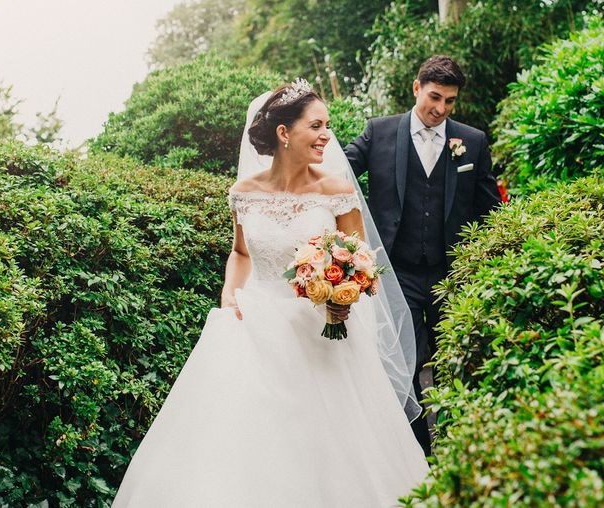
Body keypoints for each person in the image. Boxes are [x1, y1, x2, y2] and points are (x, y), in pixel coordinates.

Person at [112, 80, 428, 507]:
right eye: (316, 125)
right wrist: (229, 296)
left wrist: (343, 296)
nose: (326, 136)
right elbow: (241, 253)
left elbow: (362, 261)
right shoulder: (245, 193)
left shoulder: (335, 191)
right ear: (284, 133)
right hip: (254, 328)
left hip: (322, 334)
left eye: (327, 125)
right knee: (244, 445)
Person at [344, 55, 501, 455]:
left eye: (450, 101)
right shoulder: (378, 133)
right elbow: (338, 172)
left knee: (457, 360)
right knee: (408, 362)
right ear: (416, 88)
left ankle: (459, 442)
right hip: (396, 274)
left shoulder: (473, 141)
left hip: (452, 274)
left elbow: (490, 211)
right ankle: (420, 453)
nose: (441, 109)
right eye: (435, 97)